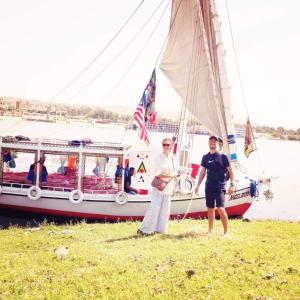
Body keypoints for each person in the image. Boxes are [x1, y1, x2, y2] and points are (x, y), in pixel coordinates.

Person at [195, 136, 235, 236]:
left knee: (221, 209)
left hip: (220, 186)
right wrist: (197, 185)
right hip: (209, 186)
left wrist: (232, 185)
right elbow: (202, 172)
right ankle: (210, 230)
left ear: (218, 144)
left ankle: (226, 232)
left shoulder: (223, 157)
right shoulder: (205, 157)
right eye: (211, 141)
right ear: (208, 143)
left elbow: (231, 171)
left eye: (215, 141)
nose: (213, 143)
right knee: (210, 209)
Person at [137, 137, 177, 235]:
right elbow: (158, 174)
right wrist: (170, 176)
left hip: (169, 187)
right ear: (162, 146)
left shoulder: (173, 158)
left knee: (165, 211)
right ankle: (144, 229)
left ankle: (161, 230)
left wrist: (174, 187)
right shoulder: (158, 158)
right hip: (159, 187)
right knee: (154, 209)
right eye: (164, 145)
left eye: (168, 145)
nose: (166, 146)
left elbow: (175, 173)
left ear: (171, 146)